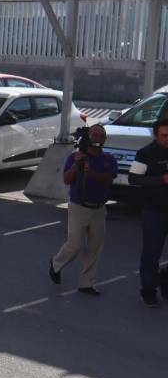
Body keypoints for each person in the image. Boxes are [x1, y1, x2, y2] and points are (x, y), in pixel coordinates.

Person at [48, 124, 117, 295]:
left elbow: (108, 178)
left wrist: (91, 172)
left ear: (105, 139)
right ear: (89, 136)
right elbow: (67, 180)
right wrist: (76, 166)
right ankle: (56, 264)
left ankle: (86, 283)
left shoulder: (109, 159)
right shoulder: (75, 157)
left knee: (95, 247)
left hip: (99, 208)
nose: (98, 138)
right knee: (75, 245)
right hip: (79, 206)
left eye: (101, 135)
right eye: (95, 134)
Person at [128, 117, 168, 307]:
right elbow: (134, 179)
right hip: (154, 212)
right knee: (152, 253)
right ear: (155, 134)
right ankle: (148, 290)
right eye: (164, 135)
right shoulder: (145, 154)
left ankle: (164, 282)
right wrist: (161, 180)